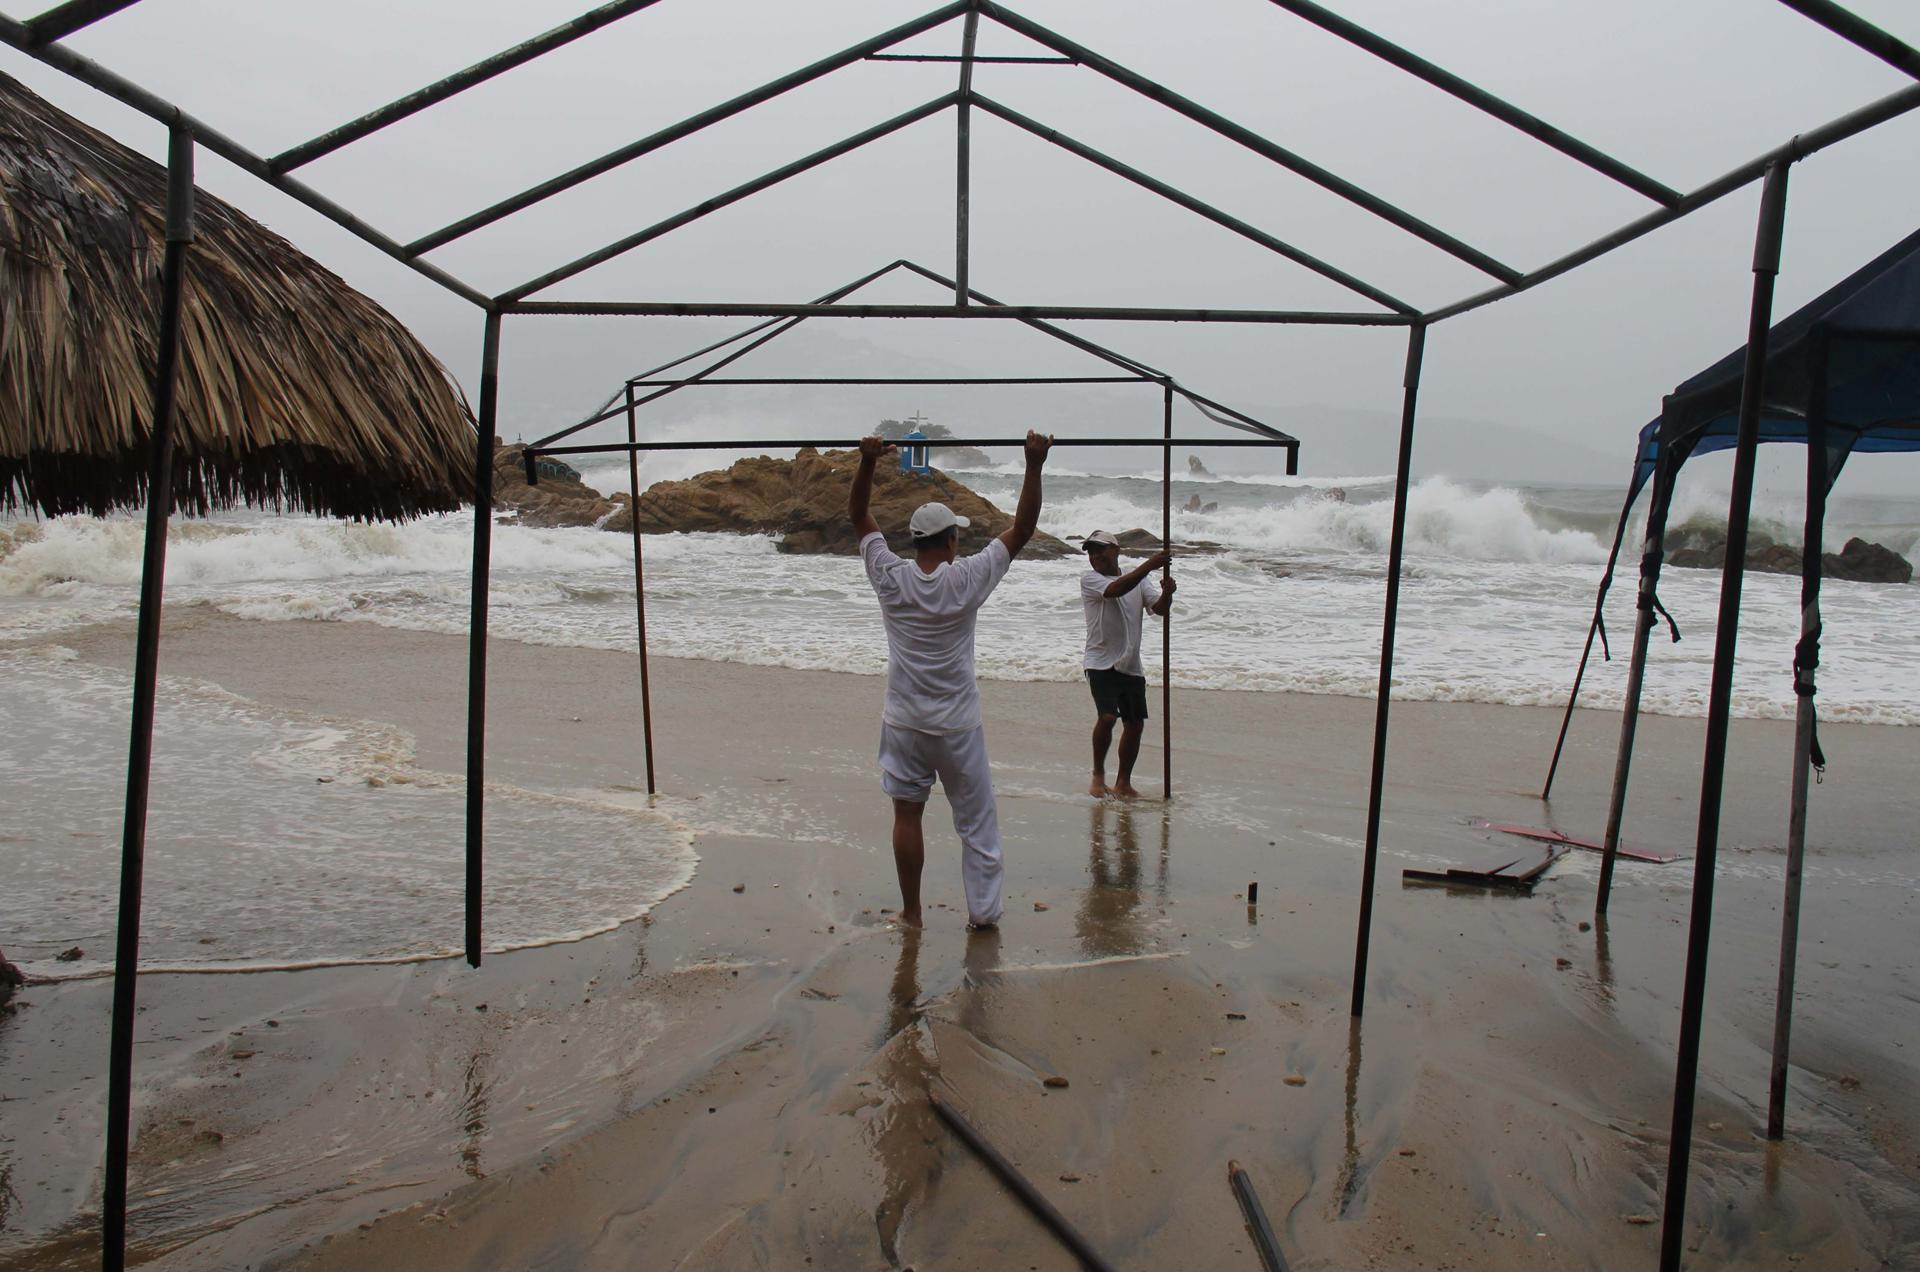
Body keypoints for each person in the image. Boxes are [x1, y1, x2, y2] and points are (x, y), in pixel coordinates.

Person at [849, 430, 1053, 929]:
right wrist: (1033, 463)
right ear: (951, 541)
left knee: (907, 815)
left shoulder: (890, 576)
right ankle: (982, 914)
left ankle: (913, 913)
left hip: (905, 720)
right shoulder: (965, 579)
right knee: (977, 824)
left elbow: (859, 517)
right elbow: (1022, 529)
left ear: (917, 542)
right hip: (957, 725)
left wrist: (868, 463)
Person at [1081, 531, 1174, 798]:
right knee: (1108, 716)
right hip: (1099, 660)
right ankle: (1098, 775)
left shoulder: (1139, 580)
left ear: (1116, 550)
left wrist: (1167, 593)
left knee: (1134, 724)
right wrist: (1149, 565)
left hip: (1131, 662)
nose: (1095, 556)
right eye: (1091, 552)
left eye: (1100, 550)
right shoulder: (1091, 580)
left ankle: (1123, 782)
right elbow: (1116, 590)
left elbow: (1159, 609)